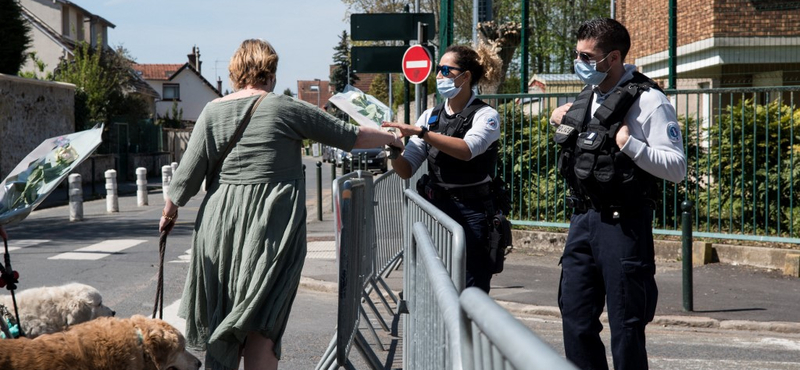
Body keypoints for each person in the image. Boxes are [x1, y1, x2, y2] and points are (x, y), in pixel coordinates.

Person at [158, 39, 403, 370]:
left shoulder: (212, 111)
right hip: (271, 229)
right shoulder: (285, 108)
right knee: (263, 322)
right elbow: (350, 136)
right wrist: (392, 137)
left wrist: (169, 213)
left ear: (234, 72)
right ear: (270, 72)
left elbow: (187, 174)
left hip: (218, 229)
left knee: (222, 319)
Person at [549, 18, 686, 370]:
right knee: (575, 317)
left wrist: (632, 145)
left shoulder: (650, 101)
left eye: (586, 56)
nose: (578, 62)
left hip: (623, 224)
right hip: (582, 220)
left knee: (626, 326)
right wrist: (560, 119)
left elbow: (677, 168)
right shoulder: (589, 96)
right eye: (576, 53)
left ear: (612, 58)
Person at [382, 45, 503, 293]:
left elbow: (468, 149)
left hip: (473, 212)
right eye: (438, 69)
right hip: (436, 210)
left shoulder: (486, 115)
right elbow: (406, 169)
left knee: (470, 289)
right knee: (436, 287)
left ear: (465, 76)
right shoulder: (430, 116)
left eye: (446, 70)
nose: (438, 75)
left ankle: (467, 333)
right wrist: (393, 149)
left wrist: (423, 134)